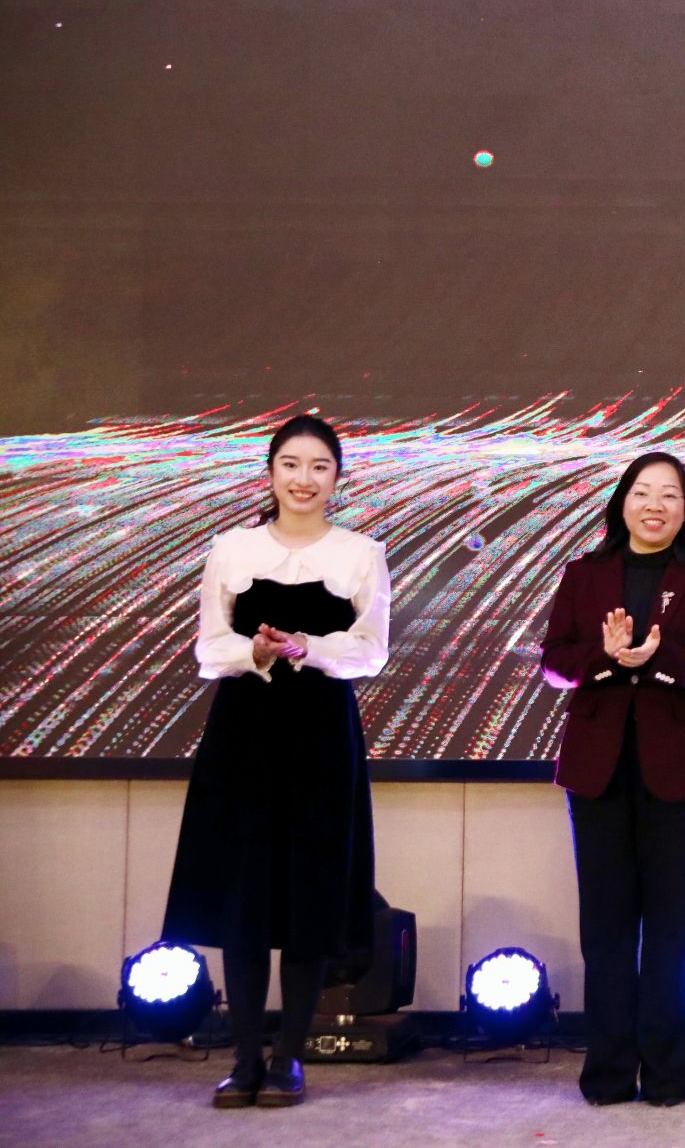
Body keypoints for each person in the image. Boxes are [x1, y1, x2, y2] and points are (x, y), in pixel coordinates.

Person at [162, 414, 390, 1109]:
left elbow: (372, 651)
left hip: (322, 734)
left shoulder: (361, 552)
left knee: (310, 895)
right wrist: (255, 651)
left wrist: (308, 648)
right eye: (291, 464)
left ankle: (288, 1058)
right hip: (245, 731)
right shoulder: (232, 548)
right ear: (270, 473)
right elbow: (209, 649)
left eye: (319, 466)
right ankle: (242, 1060)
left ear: (337, 478)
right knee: (244, 894)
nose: (303, 478)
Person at [541, 452, 685, 1106]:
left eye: (670, 495)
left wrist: (657, 660)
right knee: (606, 929)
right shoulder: (584, 574)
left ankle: (667, 1075)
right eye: (643, 492)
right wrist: (605, 657)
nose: (656, 505)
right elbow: (554, 663)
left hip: (680, 772)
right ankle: (607, 1072)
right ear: (622, 502)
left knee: (671, 931)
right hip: (597, 770)